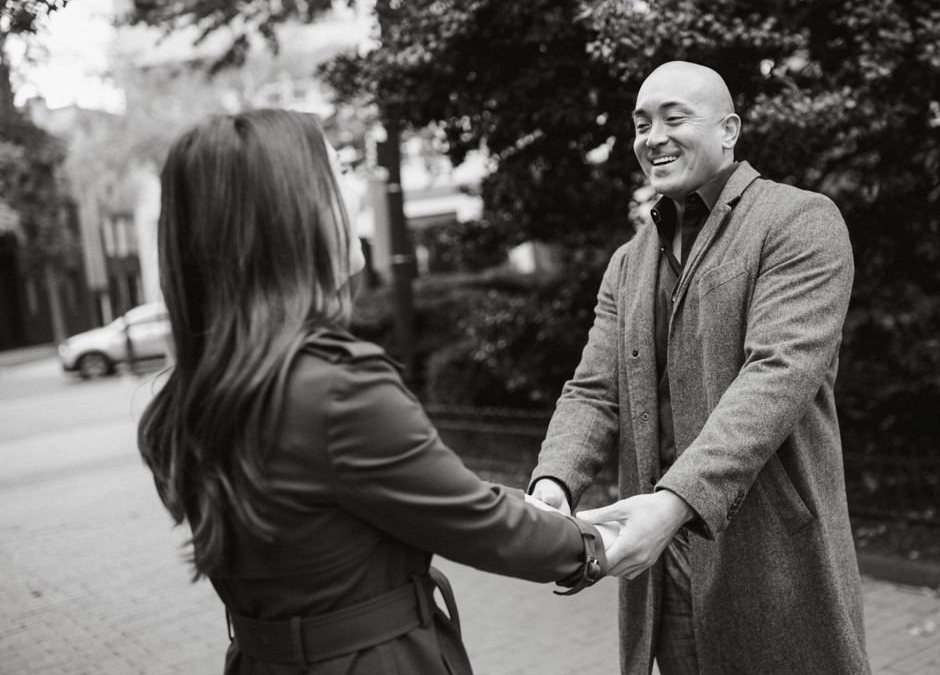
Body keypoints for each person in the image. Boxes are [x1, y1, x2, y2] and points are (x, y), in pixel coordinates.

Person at [138, 109, 613, 675]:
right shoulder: (335, 388)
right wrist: (597, 543)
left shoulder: (196, 394)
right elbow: (477, 523)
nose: (355, 191)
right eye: (337, 173)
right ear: (290, 215)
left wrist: (545, 508)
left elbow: (423, 493)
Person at [529, 62, 871, 675]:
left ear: (729, 130)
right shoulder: (628, 263)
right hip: (662, 574)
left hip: (769, 558)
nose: (652, 137)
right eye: (641, 124)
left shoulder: (799, 219)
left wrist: (673, 504)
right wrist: (552, 486)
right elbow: (593, 392)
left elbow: (776, 375)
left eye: (673, 118)